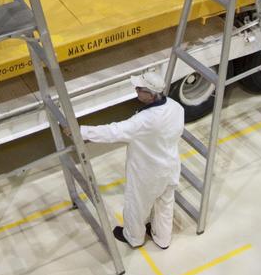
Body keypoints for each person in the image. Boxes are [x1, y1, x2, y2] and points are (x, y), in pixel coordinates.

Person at [79, 69, 184, 249]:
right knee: (165, 204)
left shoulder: (143, 121)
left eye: (139, 89)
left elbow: (113, 131)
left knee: (137, 206)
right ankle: (162, 239)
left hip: (147, 174)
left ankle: (134, 238)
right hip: (171, 167)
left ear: (150, 95)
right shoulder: (176, 107)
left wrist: (81, 131)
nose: (135, 90)